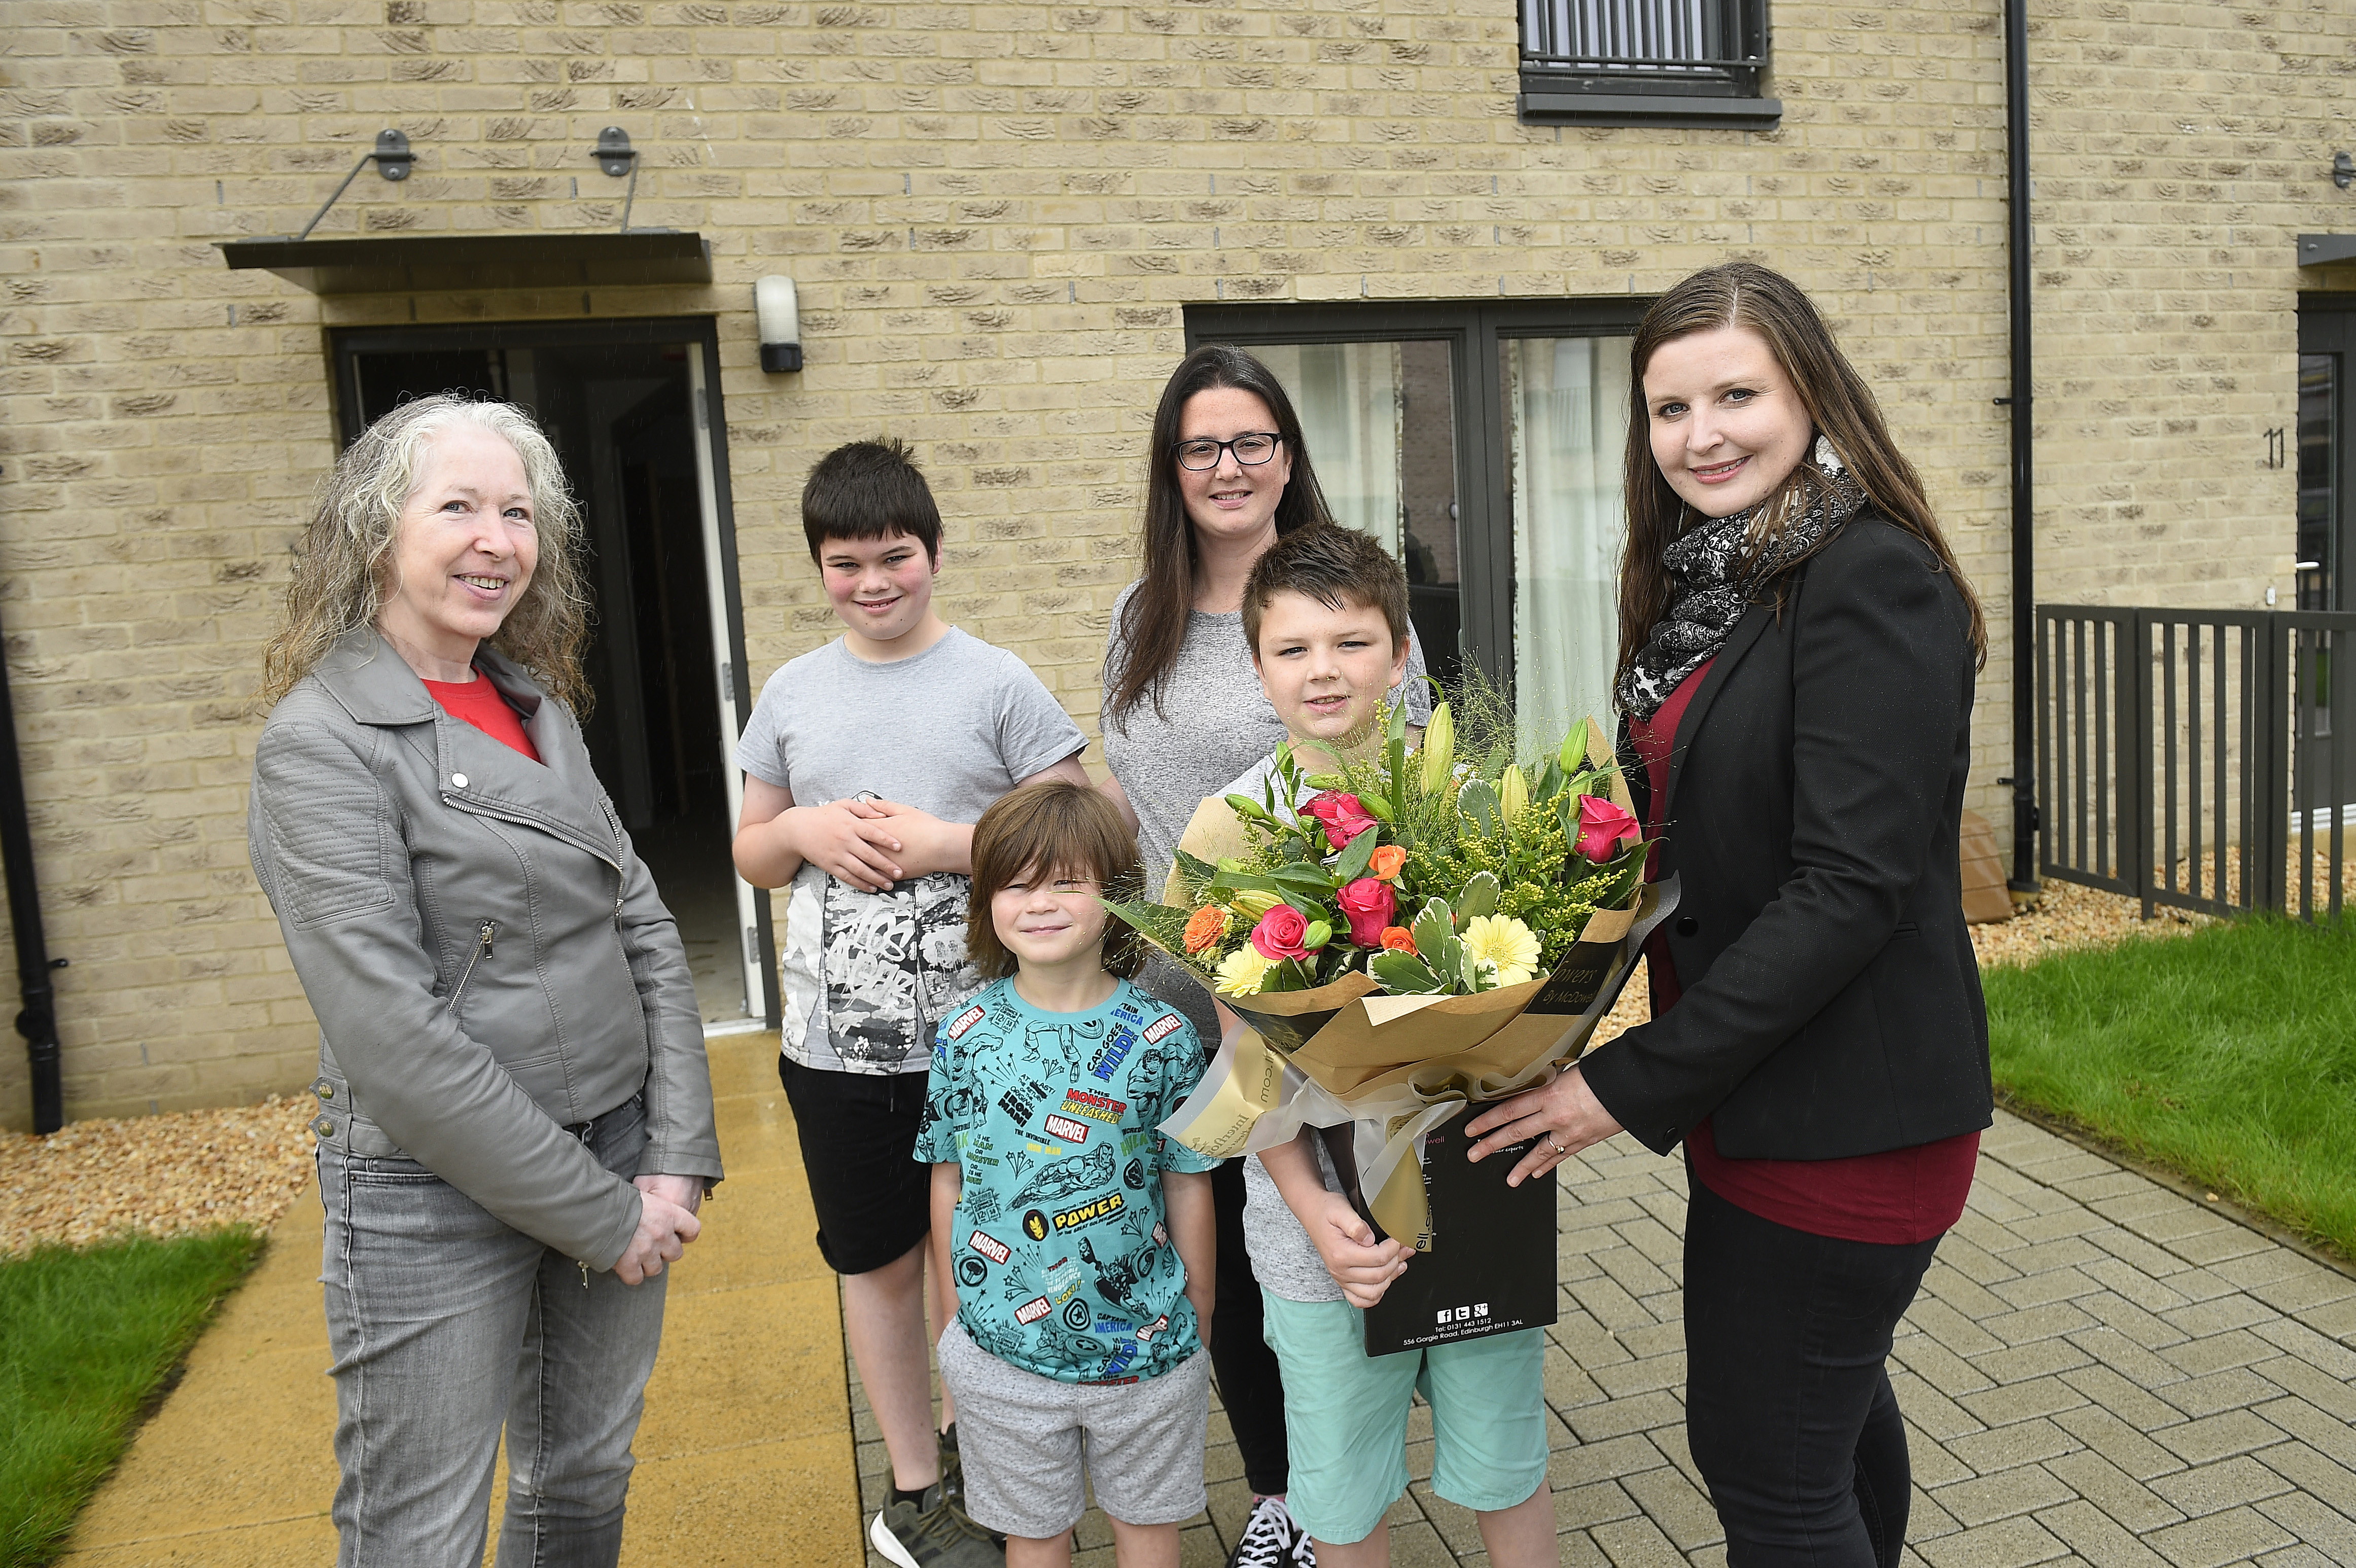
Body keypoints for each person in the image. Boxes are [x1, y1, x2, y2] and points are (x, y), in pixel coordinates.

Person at [1463, 261, 1993, 1568]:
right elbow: (1709, 833)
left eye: (1736, 395)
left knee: (1766, 1468)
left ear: (1811, 388)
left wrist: (1622, 1085)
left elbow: (1849, 887)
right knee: (1824, 1421)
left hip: (1848, 1117)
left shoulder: (1868, 576)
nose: (1700, 435)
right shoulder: (1718, 589)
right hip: (1761, 1099)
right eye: (1666, 407)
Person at [248, 395, 721, 1565]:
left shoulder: (535, 706)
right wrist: (608, 1216)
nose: (494, 539)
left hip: (618, 1146)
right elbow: (394, 1039)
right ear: (375, 531)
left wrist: (671, 1150)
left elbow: (647, 925)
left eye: (517, 512)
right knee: (422, 1530)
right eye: (456, 505)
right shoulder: (320, 742)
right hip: (429, 1199)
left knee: (582, 1479)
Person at [1097, 344, 1432, 1568]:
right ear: (1171, 467)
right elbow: (1131, 795)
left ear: (1288, 455)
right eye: (1202, 446)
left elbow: (1415, 778)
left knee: (1330, 1217)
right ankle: (1288, 1494)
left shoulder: (1342, 603)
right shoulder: (1142, 617)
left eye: (1253, 442)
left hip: (1329, 993)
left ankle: (1356, 1467)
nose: (1229, 466)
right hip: (1190, 999)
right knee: (1235, 1257)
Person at [730, 438, 1089, 1568]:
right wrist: (798, 831)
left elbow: (1083, 822)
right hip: (836, 1049)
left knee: (975, 1256)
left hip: (995, 1045)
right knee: (877, 1262)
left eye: (895, 557)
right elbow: (748, 849)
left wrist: (948, 841)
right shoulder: (791, 692)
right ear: (818, 567)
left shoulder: (994, 680)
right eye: (847, 564)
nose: (874, 582)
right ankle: (918, 1481)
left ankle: (993, 1455)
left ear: (935, 551)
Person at [1230, 525, 1557, 1568]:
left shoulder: (1475, 802)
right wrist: (1317, 1213)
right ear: (1256, 665)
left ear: (1403, 652)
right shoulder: (1229, 829)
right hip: (1319, 1232)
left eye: (1351, 641)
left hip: (1474, 1196)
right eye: (1292, 648)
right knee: (1341, 1491)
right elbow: (1242, 1060)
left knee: (1506, 1464)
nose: (1322, 670)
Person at [919, 780, 1221, 1568]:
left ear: (1116, 898)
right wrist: (957, 1323)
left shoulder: (1162, 1037)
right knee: (1034, 1538)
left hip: (1149, 1351)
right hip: (999, 1357)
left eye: (1066, 882)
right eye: (1015, 884)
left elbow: (1187, 1179)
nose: (1039, 904)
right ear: (986, 902)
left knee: (1150, 1534)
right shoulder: (966, 1034)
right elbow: (947, 1178)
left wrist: (1199, 1312)